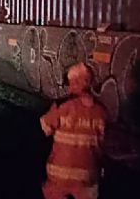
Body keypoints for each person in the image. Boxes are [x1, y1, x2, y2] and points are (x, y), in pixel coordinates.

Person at [40, 62, 108, 199]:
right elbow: (103, 143)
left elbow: (45, 127)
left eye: (71, 82)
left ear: (77, 82)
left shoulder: (62, 105)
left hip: (59, 177)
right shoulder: (101, 111)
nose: (69, 87)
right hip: (88, 176)